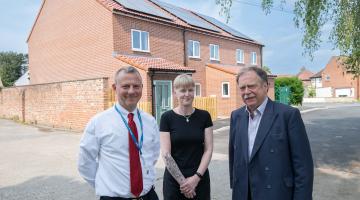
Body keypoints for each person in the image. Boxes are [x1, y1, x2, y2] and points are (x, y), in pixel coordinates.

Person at [229, 66, 314, 200]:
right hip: (244, 194)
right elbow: (234, 157)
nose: (246, 92)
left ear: (265, 86)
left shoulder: (288, 115)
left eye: (251, 86)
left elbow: (303, 167)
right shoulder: (236, 116)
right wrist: (235, 185)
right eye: (242, 88)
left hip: (276, 193)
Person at [78, 66, 160, 200]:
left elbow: (153, 155)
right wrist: (106, 186)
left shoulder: (150, 121)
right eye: (126, 86)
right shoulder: (99, 122)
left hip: (148, 196)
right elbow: (85, 162)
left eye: (136, 86)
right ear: (115, 88)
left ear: (142, 87)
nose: (132, 91)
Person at [160, 74, 213, 200]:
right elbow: (166, 154)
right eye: (183, 90)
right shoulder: (167, 118)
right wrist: (184, 183)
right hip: (175, 182)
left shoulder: (204, 116)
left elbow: (208, 150)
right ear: (175, 92)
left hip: (200, 179)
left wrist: (196, 178)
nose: (187, 94)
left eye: (190, 90)